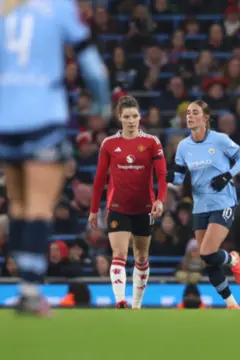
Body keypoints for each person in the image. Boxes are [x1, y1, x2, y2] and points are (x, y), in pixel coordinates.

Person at [0, 0, 110, 315]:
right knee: (38, 203)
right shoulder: (59, 7)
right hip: (43, 115)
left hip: (5, 115)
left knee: (17, 203)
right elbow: (93, 67)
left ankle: (24, 286)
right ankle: (30, 290)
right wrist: (102, 103)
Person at [168, 100, 240, 309]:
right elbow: (177, 179)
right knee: (208, 259)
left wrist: (227, 175)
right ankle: (232, 304)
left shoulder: (219, 140)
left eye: (195, 113)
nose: (190, 116)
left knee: (207, 252)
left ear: (205, 118)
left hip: (223, 202)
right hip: (200, 206)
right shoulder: (183, 146)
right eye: (188, 113)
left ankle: (232, 260)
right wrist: (168, 176)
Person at [89, 96, 168, 309]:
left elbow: (162, 176)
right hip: (118, 207)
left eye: (134, 116)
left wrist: (160, 200)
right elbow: (99, 180)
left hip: (144, 208)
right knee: (120, 253)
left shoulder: (152, 142)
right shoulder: (109, 144)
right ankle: (120, 300)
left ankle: (136, 304)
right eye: (127, 117)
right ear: (119, 117)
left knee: (141, 257)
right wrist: (94, 210)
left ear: (140, 116)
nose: (131, 121)